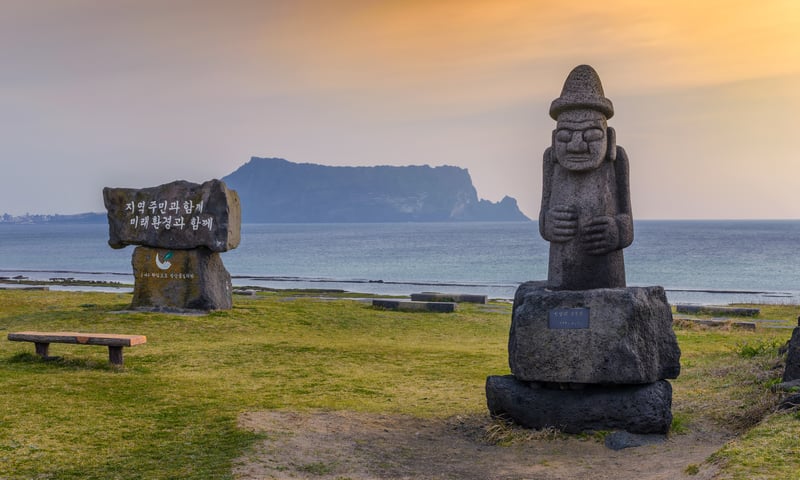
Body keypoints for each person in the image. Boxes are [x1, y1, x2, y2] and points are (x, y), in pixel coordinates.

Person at [539, 65, 633, 290]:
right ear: (554, 139)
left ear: (609, 138)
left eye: (591, 134)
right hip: (561, 273)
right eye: (565, 135)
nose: (577, 145)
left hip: (606, 275)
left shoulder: (617, 159)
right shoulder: (550, 161)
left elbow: (627, 222)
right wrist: (549, 224)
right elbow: (544, 214)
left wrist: (617, 231)